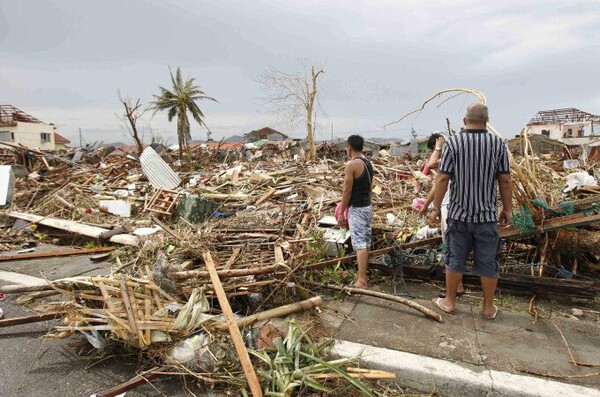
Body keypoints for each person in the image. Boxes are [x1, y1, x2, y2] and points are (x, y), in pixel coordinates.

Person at [431, 103, 512, 320]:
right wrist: (508, 209)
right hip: (486, 216)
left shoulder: (454, 143)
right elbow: (505, 179)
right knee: (488, 262)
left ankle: (449, 301)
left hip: (458, 215)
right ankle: (487, 308)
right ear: (487, 121)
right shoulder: (497, 144)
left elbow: (442, 178)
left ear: (465, 120)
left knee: (455, 258)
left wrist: (436, 208)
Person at [419, 132, 465, 297]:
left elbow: (430, 164)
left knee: (451, 247)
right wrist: (426, 206)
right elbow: (437, 185)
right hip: (450, 206)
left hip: (450, 207)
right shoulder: (449, 161)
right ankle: (457, 285)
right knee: (452, 246)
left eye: (435, 148)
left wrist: (438, 147)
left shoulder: (450, 158)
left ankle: (455, 288)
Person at [336, 135, 374, 289]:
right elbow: (370, 188)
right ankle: (365, 274)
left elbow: (347, 191)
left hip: (357, 209)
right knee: (366, 241)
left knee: (359, 244)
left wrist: (341, 212)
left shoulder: (351, 165)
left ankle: (362, 280)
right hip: (367, 207)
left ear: (349, 147)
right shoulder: (368, 163)